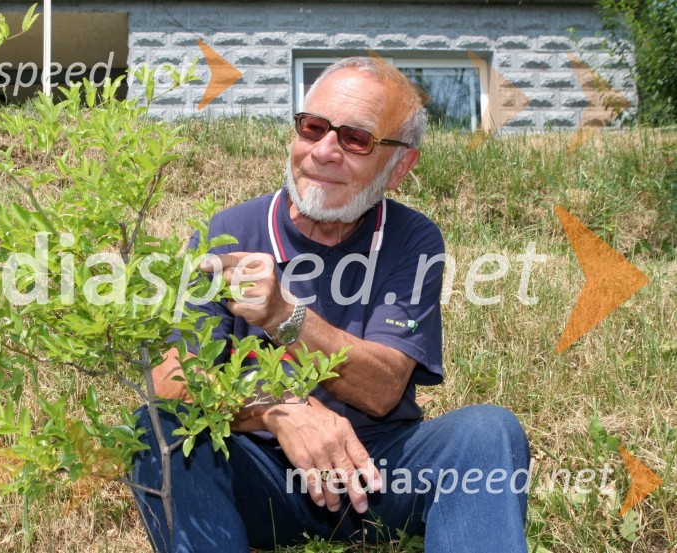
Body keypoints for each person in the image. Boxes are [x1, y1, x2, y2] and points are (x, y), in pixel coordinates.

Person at [131, 56, 531, 552]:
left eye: (355, 139)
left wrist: (284, 316)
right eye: (313, 127)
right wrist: (278, 409)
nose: (323, 151)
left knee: (488, 432)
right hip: (262, 476)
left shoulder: (412, 240)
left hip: (379, 474)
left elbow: (383, 387)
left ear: (399, 165)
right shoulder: (225, 234)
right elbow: (169, 382)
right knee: (160, 429)